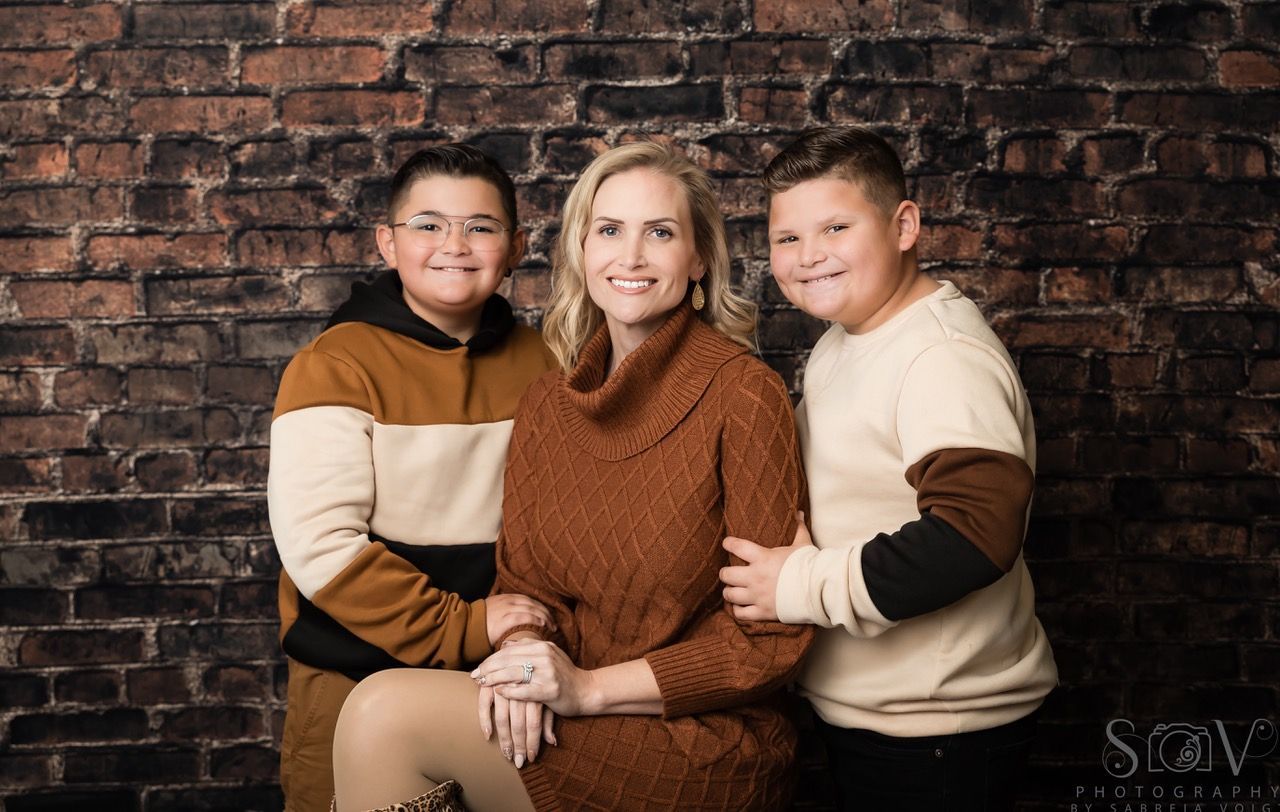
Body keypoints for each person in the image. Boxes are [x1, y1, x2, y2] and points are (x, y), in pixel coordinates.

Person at [330, 141, 815, 812]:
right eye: (609, 230)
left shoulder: (744, 395)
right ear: (581, 251)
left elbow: (770, 640)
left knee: (383, 715)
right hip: (571, 707)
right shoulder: (547, 404)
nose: (632, 255)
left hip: (699, 739)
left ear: (699, 257)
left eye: (661, 232)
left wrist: (587, 688)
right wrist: (525, 659)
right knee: (384, 715)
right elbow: (528, 585)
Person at [720, 126, 1058, 811]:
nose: (808, 257)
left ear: (904, 225)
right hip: (879, 716)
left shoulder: (940, 357)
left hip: (940, 734)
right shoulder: (846, 339)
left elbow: (975, 535)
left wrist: (801, 584)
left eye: (836, 227)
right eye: (787, 238)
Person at [268, 144, 557, 811]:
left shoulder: (546, 362)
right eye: (427, 225)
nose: (454, 244)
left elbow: (563, 524)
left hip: (496, 681)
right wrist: (465, 624)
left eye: (479, 227)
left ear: (515, 247)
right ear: (388, 244)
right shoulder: (332, 367)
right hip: (350, 677)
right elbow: (325, 551)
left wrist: (516, 634)